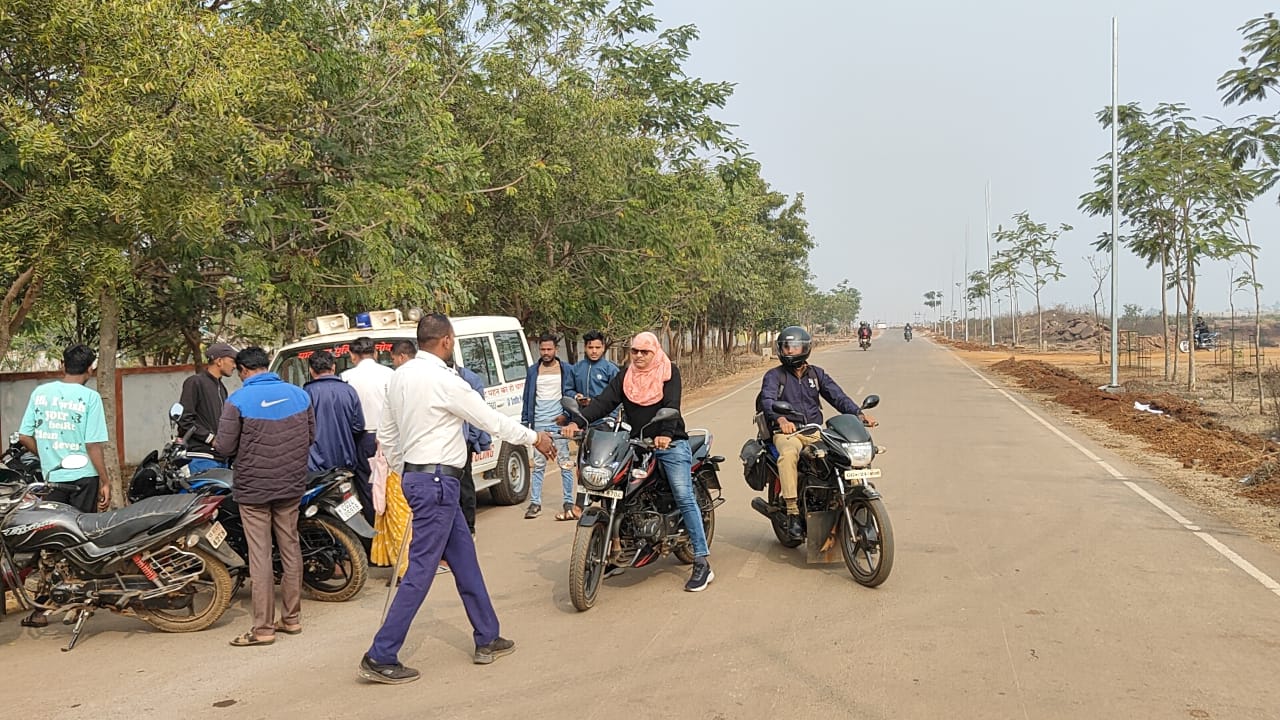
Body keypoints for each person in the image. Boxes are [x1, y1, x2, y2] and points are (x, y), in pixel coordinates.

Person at [359, 313, 557, 685]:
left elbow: (386, 432)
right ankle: (381, 653)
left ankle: (488, 636)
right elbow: (489, 420)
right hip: (438, 482)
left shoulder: (399, 376)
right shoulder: (443, 380)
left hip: (423, 478)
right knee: (420, 571)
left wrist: (407, 472)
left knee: (465, 561)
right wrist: (535, 439)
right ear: (447, 341)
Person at [560, 331, 714, 593]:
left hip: (670, 442)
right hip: (635, 443)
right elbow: (602, 403)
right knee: (617, 488)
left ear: (655, 352)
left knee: (683, 494)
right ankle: (616, 548)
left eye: (645, 352)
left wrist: (665, 435)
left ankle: (701, 561)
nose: (639, 356)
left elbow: (672, 405)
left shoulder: (669, 372)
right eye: (635, 351)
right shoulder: (626, 376)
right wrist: (577, 421)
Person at [215, 347, 314, 647]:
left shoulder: (238, 400)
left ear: (244, 370)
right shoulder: (300, 395)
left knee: (260, 556)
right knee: (290, 548)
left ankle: (263, 629)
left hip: (254, 489)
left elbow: (224, 446)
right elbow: (311, 436)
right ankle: (292, 619)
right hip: (291, 485)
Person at [759, 326, 876, 540]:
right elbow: (768, 400)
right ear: (780, 349)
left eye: (795, 347)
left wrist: (859, 415)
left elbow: (837, 396)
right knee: (788, 455)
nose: (791, 351)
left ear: (805, 349)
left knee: (842, 454)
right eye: (787, 347)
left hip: (814, 431)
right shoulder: (774, 376)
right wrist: (781, 419)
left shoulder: (816, 374)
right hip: (788, 433)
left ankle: (850, 499)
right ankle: (793, 511)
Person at [18, 344, 109, 512]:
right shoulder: (91, 398)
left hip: (53, 476)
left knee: (56, 528)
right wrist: (105, 481)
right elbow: (92, 445)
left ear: (63, 365)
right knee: (81, 530)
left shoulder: (40, 393)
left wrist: (46, 455)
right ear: (90, 369)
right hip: (85, 477)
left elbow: (24, 436)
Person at [370, 340, 417, 578]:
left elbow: (386, 434)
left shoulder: (398, 381)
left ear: (400, 357)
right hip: (407, 463)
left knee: (400, 520)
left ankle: (405, 570)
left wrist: (394, 463)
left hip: (397, 465)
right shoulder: (395, 379)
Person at [519, 333, 574, 520]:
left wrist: (566, 416)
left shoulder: (566, 370)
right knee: (539, 464)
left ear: (556, 350)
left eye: (549, 349)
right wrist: (526, 422)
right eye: (543, 349)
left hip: (560, 424)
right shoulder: (533, 371)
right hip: (539, 424)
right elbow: (527, 398)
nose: (546, 352)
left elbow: (570, 395)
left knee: (565, 462)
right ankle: (535, 503)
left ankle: (568, 502)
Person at [341, 336, 394, 524]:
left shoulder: (346, 378)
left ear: (352, 356)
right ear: (376, 353)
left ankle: (376, 532)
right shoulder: (390, 374)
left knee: (368, 486)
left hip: (362, 439)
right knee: (392, 484)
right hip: (390, 439)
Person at [177, 342, 237, 475]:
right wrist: (211, 439)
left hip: (221, 458)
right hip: (201, 458)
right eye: (232, 361)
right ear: (219, 361)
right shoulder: (195, 382)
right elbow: (185, 419)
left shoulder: (222, 389)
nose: (234, 366)